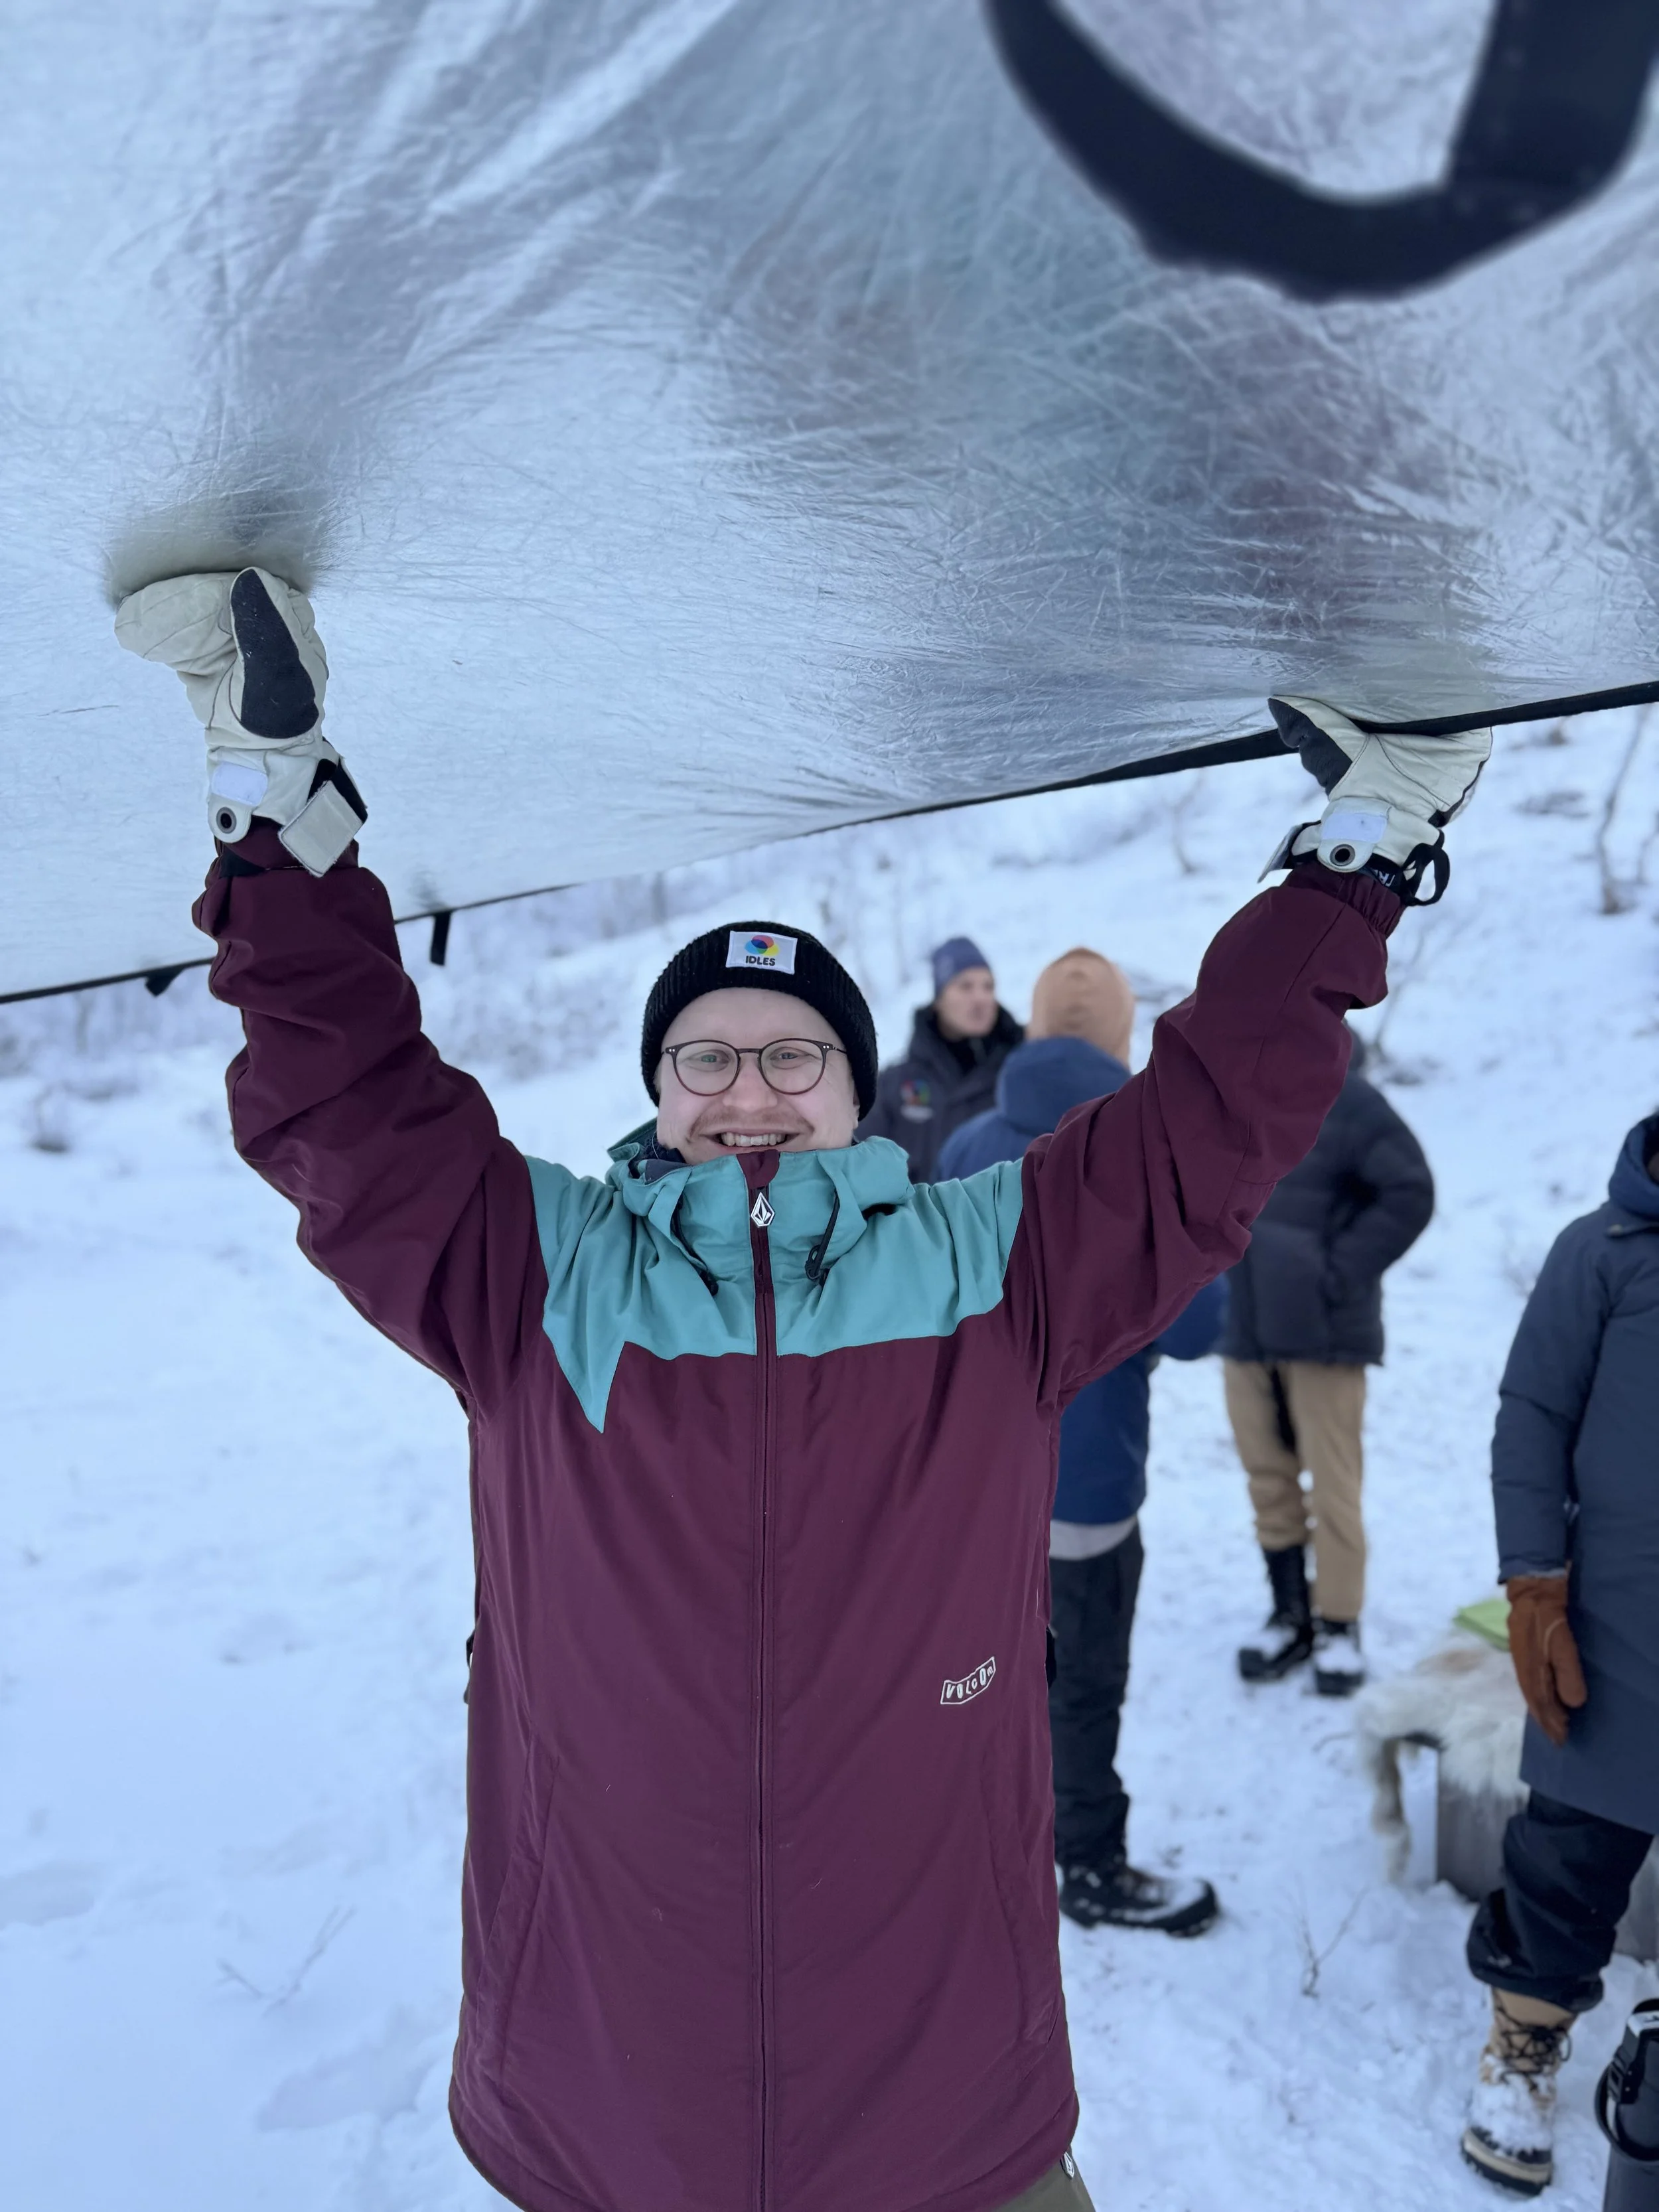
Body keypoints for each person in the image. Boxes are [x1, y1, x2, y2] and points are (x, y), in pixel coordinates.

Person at [114, 578, 1487, 2212]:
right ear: (657, 1091)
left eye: (791, 1055)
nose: (747, 1089)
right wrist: (276, 825)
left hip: (950, 2120)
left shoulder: (996, 1267)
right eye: (704, 1054)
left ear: (855, 1094)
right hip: (606, 2111)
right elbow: (344, 1101)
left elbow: (1210, 1119)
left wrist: (1357, 858)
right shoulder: (536, 1276)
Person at [940, 949, 1226, 1937]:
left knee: (981, 1674)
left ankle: (977, 1848)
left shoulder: (967, 1140)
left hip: (973, 1480)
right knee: (1084, 1685)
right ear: (1119, 1038)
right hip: (1088, 1485)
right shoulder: (1147, 1160)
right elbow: (1199, 1327)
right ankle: (1091, 1868)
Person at [1459, 1111, 1659, 2198]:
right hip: (1621, 1627)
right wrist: (1534, 1583)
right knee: (1569, 1859)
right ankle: (1523, 2046)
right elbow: (1532, 1414)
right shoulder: (1605, 1252)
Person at [1224, 1031, 1434, 1695]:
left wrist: (1336, 1272)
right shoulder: (1239, 1095)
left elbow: (1410, 1191)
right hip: (1245, 1325)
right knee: (1267, 1477)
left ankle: (1339, 1623)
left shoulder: (1352, 1100)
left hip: (1326, 1333)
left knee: (1333, 1485)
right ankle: (1289, 1615)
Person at [857, 934, 1023, 1179]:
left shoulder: (1019, 1074)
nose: (981, 998)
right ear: (939, 999)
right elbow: (859, 1168)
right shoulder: (895, 1086)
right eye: (965, 986)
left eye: (988, 987)